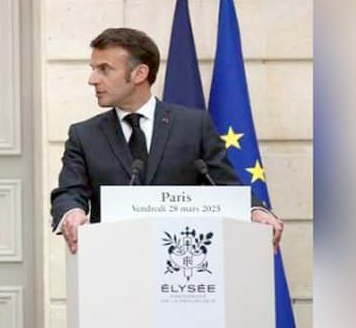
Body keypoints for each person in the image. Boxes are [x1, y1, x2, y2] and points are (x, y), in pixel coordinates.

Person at [50, 27, 283, 254]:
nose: (92, 79)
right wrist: (72, 212)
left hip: (184, 258)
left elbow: (225, 185)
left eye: (104, 69)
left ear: (139, 74)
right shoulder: (84, 135)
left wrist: (256, 211)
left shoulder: (194, 125)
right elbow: (69, 192)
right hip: (114, 258)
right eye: (93, 69)